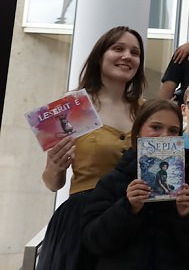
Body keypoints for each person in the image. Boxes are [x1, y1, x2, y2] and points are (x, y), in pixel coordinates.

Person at [38, 26, 146, 270]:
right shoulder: (70, 107)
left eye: (135, 52)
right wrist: (56, 166)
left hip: (132, 217)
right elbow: (52, 183)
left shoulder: (146, 110)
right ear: (99, 56)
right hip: (81, 220)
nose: (127, 56)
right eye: (118, 48)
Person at [80, 99, 189, 270]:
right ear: (138, 131)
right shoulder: (115, 180)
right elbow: (93, 241)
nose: (164, 135)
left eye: (173, 130)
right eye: (155, 127)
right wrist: (127, 208)